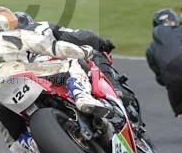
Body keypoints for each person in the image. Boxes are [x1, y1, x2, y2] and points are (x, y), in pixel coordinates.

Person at [0, 7, 110, 153]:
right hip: (21, 75)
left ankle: (28, 143)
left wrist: (9, 141)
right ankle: (82, 97)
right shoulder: (12, 35)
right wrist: (85, 52)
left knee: (17, 143)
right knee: (73, 64)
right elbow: (53, 48)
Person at [14, 12, 142, 123]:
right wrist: (102, 43)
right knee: (90, 56)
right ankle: (114, 89)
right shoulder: (38, 27)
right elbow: (81, 36)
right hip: (54, 70)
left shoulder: (2, 45)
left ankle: (22, 142)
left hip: (22, 84)